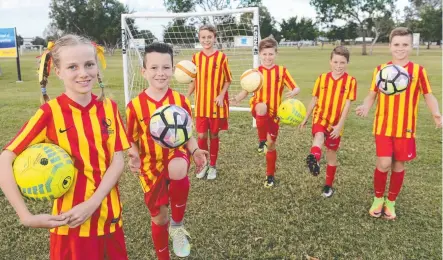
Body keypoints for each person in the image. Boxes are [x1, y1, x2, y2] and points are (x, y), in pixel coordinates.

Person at [0, 35, 130, 260]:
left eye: (89, 64)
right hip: (71, 226)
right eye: (72, 67)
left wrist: (93, 203)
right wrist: (25, 216)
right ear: (58, 72)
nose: (83, 73)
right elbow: (5, 158)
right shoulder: (50, 113)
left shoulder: (109, 107)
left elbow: (118, 160)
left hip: (110, 217)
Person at [126, 42, 208, 259]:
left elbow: (186, 134)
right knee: (159, 218)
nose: (160, 73)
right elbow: (131, 138)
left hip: (176, 155)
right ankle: (164, 255)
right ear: (144, 72)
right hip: (150, 166)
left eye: (165, 67)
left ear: (173, 70)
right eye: (154, 68)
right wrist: (133, 155)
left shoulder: (180, 101)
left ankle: (178, 226)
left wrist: (195, 150)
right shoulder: (134, 106)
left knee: (178, 166)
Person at [356, 27, 442, 219]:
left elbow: (428, 95)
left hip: (406, 128)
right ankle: (378, 198)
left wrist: (436, 113)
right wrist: (365, 106)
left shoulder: (419, 71)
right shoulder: (380, 70)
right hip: (383, 126)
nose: (400, 48)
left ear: (411, 46)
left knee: (398, 165)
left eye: (405, 44)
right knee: (384, 162)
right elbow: (372, 95)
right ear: (389, 46)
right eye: (396, 44)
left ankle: (391, 202)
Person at [230, 36, 300, 187]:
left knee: (272, 145)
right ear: (260, 54)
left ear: (276, 54)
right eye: (265, 54)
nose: (268, 57)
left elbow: (296, 87)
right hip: (259, 108)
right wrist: (237, 98)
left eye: (271, 54)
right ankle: (261, 141)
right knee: (262, 106)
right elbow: (246, 90)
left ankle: (270, 176)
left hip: (275, 115)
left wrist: (294, 92)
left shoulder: (282, 71)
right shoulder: (256, 72)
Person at [299, 46, 357, 198]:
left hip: (336, 124)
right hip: (320, 117)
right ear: (330, 62)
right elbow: (314, 99)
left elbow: (347, 105)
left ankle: (328, 185)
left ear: (347, 63)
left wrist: (339, 126)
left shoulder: (351, 82)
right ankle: (314, 160)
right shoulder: (322, 78)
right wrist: (306, 118)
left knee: (331, 154)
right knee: (318, 136)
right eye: (336, 62)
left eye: (342, 63)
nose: (338, 66)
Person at [187, 25, 232, 180]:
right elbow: (193, 80)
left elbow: (228, 80)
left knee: (213, 135)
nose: (206, 40)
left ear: (214, 38)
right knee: (200, 135)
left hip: (215, 105)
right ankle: (203, 163)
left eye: (209, 37)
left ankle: (213, 165)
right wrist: (186, 96)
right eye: (203, 37)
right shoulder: (195, 58)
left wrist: (221, 95)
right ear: (199, 39)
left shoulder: (222, 58)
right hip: (200, 105)